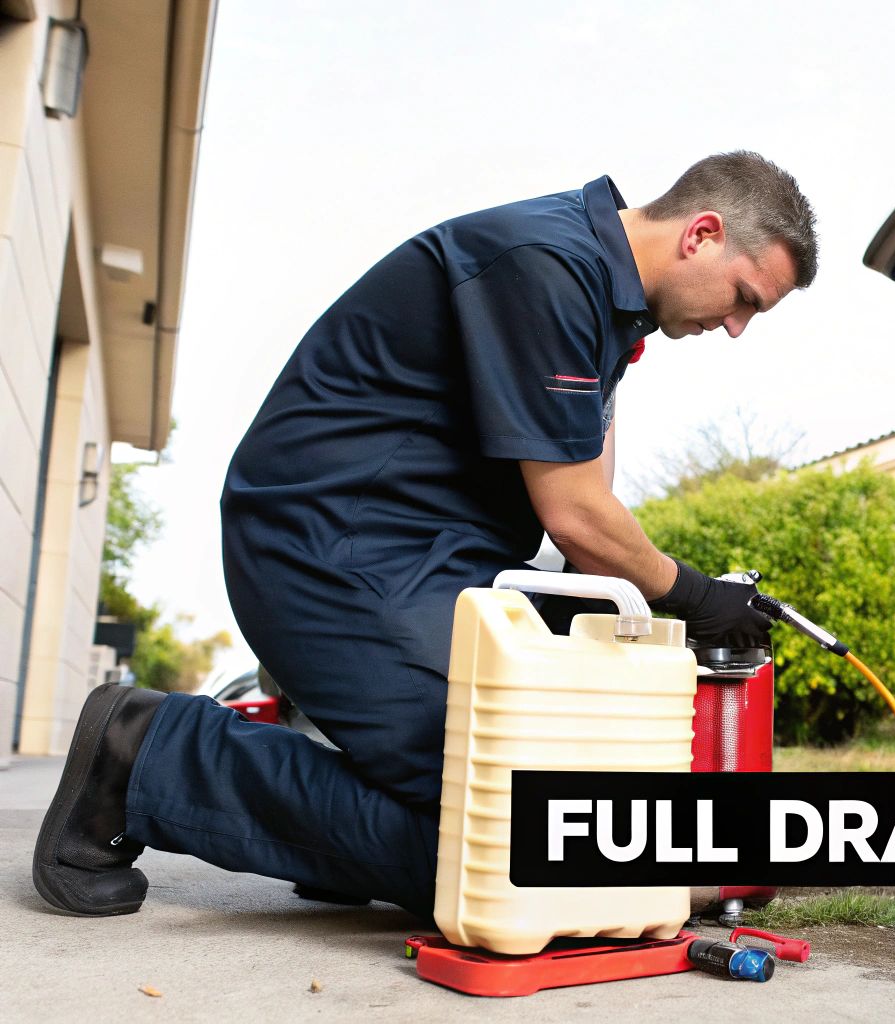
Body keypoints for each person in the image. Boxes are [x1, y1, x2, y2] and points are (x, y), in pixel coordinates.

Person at [32, 152, 818, 919]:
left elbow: (586, 515)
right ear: (701, 233)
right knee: (515, 847)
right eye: (747, 297)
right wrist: (692, 595)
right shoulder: (546, 264)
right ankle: (143, 754)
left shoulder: (605, 301)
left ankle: (335, 828)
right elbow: (575, 513)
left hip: (430, 563)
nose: (740, 326)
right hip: (333, 546)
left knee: (559, 803)